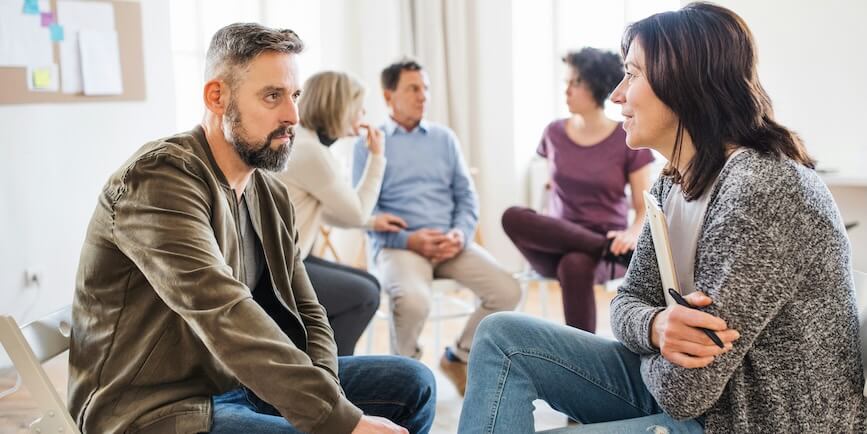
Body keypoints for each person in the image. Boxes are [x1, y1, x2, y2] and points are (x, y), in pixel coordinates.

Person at [458, 3, 867, 433]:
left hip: (746, 422)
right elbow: (627, 302)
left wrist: (650, 339)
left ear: (684, 85)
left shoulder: (761, 190)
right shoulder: (672, 183)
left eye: (632, 75)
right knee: (501, 337)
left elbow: (684, 392)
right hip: (701, 401)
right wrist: (655, 327)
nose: (617, 95)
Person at [68, 23, 435, 434]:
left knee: (413, 383)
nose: (292, 116)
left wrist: (333, 401)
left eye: (294, 96)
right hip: (155, 408)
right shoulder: (158, 180)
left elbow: (308, 310)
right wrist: (339, 422)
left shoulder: (268, 192)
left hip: (238, 384)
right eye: (272, 96)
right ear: (217, 97)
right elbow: (224, 312)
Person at [353, 59, 521, 395]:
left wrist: (460, 233)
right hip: (401, 246)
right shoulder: (369, 144)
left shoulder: (444, 138)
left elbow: (466, 196)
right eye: (413, 89)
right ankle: (404, 378)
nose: (423, 96)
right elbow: (362, 210)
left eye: (426, 88)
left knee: (508, 290)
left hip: (450, 243)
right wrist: (409, 239)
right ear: (388, 96)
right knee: (414, 301)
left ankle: (458, 356)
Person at [501, 47, 654, 333]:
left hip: (606, 246)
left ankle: (580, 353)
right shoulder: (553, 133)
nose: (567, 90)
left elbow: (643, 206)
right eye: (566, 82)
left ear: (597, 86)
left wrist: (632, 235)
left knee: (575, 263)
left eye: (576, 82)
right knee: (512, 215)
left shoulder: (627, 137)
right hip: (557, 240)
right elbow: (550, 188)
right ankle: (601, 247)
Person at [276, 70, 408, 356]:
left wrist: (372, 222)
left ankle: (320, 359)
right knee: (364, 295)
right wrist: (377, 157)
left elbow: (321, 210)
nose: (363, 114)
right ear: (340, 108)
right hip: (279, 269)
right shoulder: (311, 152)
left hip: (290, 258)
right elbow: (355, 213)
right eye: (359, 107)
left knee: (370, 284)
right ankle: (335, 371)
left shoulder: (302, 143)